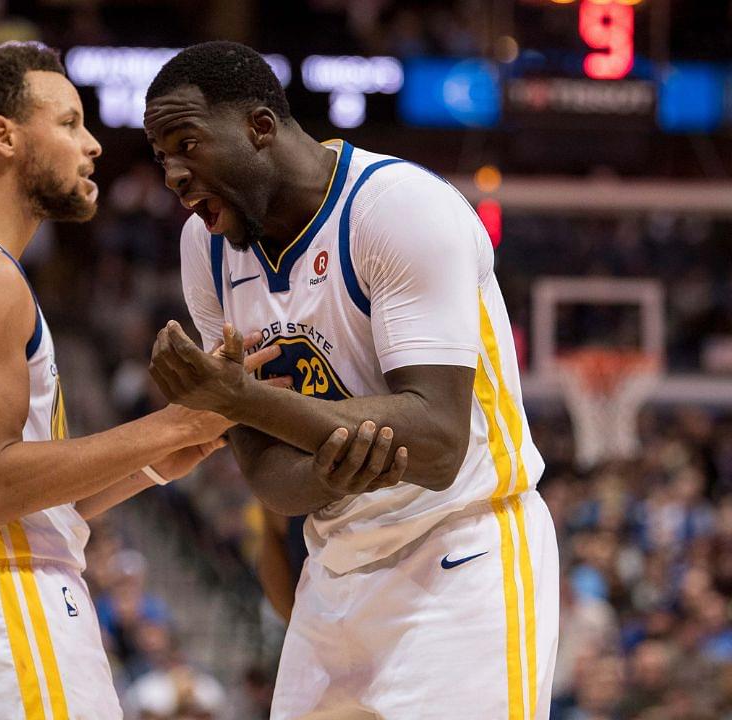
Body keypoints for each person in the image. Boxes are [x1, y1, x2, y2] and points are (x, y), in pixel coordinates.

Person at [144, 41, 559, 720]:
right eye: (163, 161)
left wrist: (241, 400)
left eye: (187, 144)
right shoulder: (207, 251)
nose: (175, 177)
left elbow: (436, 444)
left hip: (462, 551)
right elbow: (269, 480)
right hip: (333, 563)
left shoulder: (396, 208)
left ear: (260, 126)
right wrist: (335, 470)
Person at [0, 43, 257, 720]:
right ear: (2, 137)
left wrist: (155, 465)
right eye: (68, 123)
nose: (92, 145)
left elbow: (12, 499)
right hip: (5, 614)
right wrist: (178, 420)